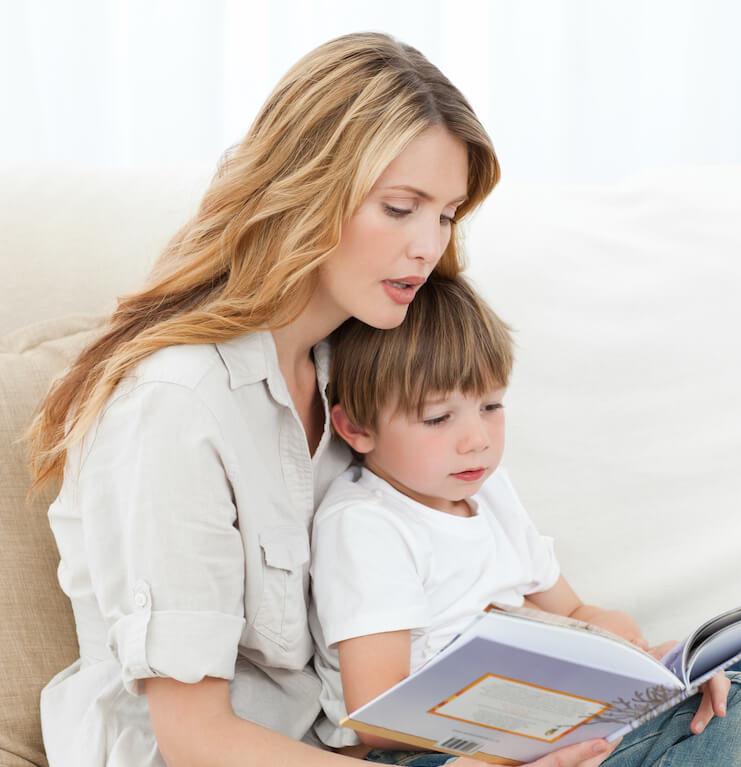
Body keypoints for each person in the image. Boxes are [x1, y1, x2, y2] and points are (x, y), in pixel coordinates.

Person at [26, 31, 623, 767]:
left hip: (369, 751)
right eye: (400, 208)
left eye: (445, 214)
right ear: (308, 190)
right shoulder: (177, 404)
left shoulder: (361, 364)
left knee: (724, 696)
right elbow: (193, 740)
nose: (427, 246)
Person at [311, 273, 741, 767]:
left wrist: (642, 657)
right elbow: (377, 716)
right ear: (356, 428)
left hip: (545, 727)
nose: (477, 440)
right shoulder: (366, 525)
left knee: (737, 679)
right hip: (431, 752)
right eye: (437, 418)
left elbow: (576, 613)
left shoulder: (489, 493)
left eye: (490, 406)